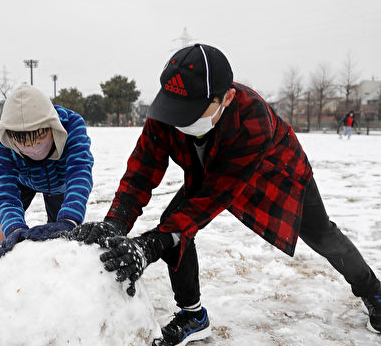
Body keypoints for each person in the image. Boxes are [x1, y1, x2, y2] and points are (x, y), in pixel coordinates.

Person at [67, 44, 381, 345]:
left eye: (189, 112)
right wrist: (116, 222)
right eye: (175, 110)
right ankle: (192, 315)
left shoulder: (253, 119)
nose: (179, 120)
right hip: (212, 171)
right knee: (174, 226)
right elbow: (142, 169)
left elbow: (212, 198)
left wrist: (149, 247)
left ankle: (373, 290)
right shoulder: (166, 111)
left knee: (323, 235)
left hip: (275, 175)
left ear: (226, 98)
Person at [0, 84, 94, 258]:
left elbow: (80, 173)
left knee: (61, 238)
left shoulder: (72, 126)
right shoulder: (2, 148)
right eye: (23, 143)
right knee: (1, 236)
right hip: (23, 182)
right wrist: (15, 228)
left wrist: (69, 219)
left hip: (60, 183)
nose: (33, 148)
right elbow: (5, 193)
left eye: (39, 138)